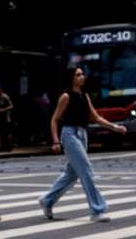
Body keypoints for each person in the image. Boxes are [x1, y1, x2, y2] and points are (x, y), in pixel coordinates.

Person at [38, 66, 126, 223]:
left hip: (82, 135)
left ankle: (47, 200)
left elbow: (96, 118)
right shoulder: (66, 96)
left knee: (71, 175)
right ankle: (97, 210)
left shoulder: (85, 96)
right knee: (86, 170)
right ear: (72, 78)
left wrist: (115, 127)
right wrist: (55, 140)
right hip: (69, 135)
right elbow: (55, 119)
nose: (82, 76)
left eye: (82, 74)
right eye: (78, 74)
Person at [0, 84, 14, 150]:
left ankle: (9, 146)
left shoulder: (5, 96)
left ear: (0, 89)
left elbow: (11, 106)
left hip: (6, 118)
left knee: (7, 132)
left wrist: (4, 109)